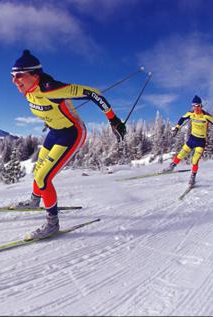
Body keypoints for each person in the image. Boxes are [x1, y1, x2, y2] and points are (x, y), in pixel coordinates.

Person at [10, 50, 126, 239]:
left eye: (20, 76)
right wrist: (48, 119)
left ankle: (52, 224)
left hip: (72, 133)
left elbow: (93, 93)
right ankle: (34, 200)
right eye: (13, 76)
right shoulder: (29, 91)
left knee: (44, 178)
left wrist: (114, 120)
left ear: (34, 75)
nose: (15, 81)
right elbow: (47, 107)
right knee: (39, 169)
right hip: (54, 133)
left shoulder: (51, 88)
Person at [163, 95, 213, 187]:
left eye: (197, 106)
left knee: (195, 160)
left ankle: (193, 177)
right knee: (181, 154)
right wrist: (177, 128)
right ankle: (172, 166)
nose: (195, 108)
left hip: (201, 141)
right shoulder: (191, 113)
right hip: (192, 139)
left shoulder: (206, 116)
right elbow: (182, 118)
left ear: (201, 106)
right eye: (194, 106)